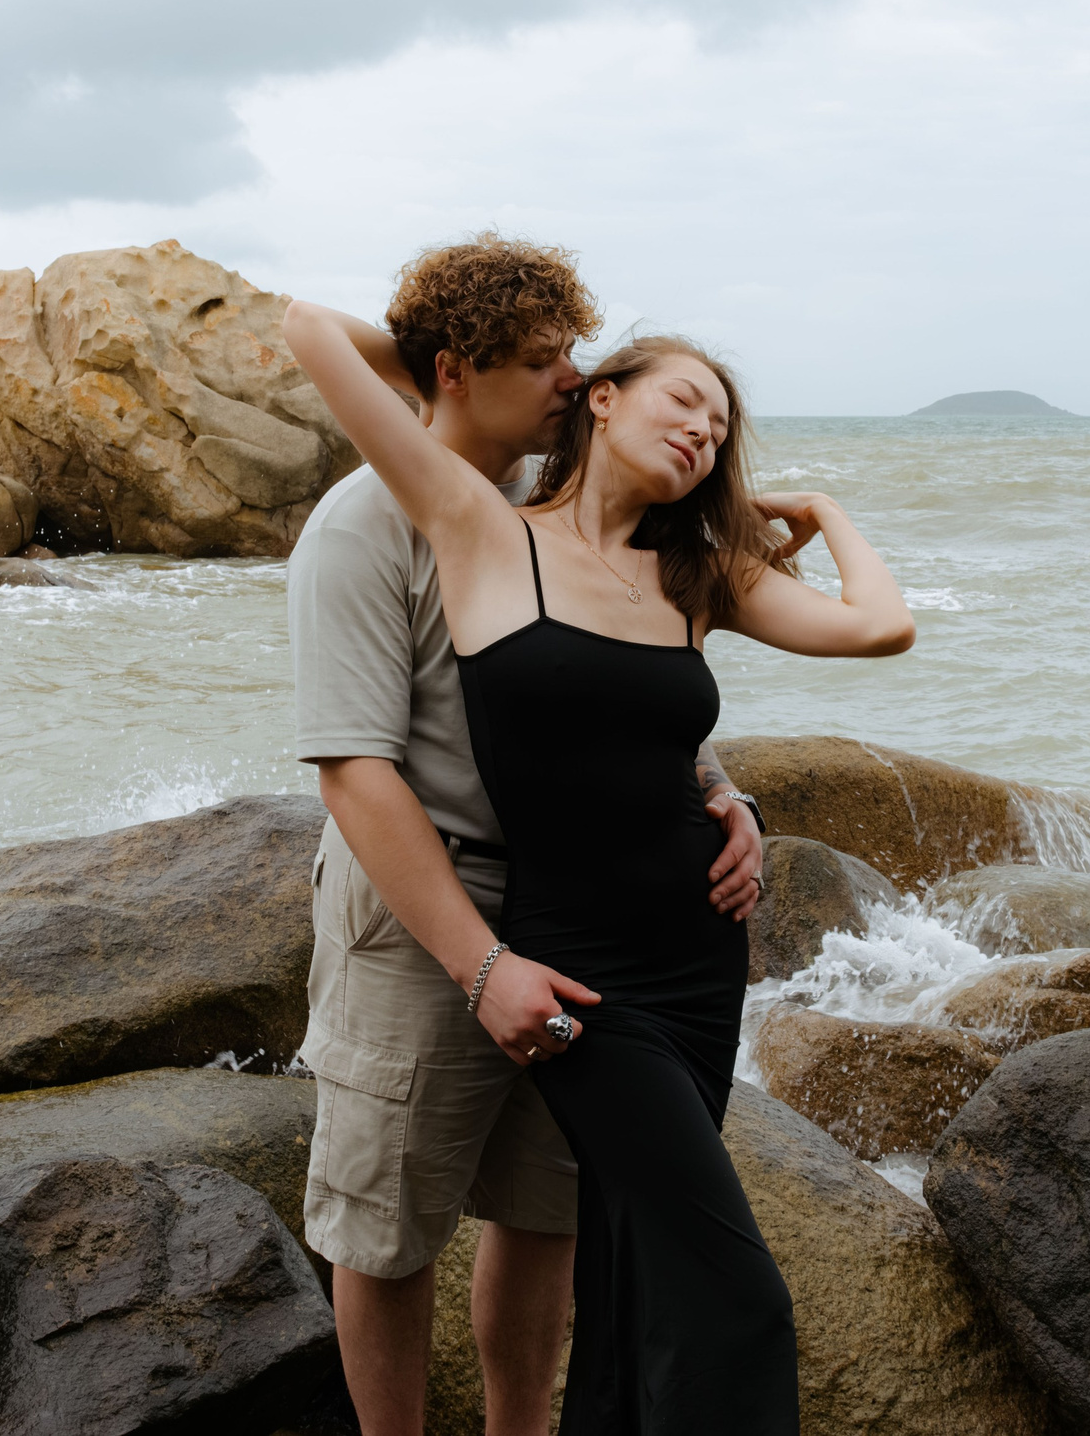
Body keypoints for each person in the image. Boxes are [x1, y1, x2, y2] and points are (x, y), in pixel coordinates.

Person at [286, 262, 915, 1436]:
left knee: (548, 1217)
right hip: (429, 908)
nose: (570, 377)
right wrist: (481, 964)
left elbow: (612, 700)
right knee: (388, 1220)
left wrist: (724, 794)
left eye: (576, 357)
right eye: (543, 362)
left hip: (601, 934)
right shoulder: (388, 516)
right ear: (457, 370)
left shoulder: (580, 514)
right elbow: (353, 771)